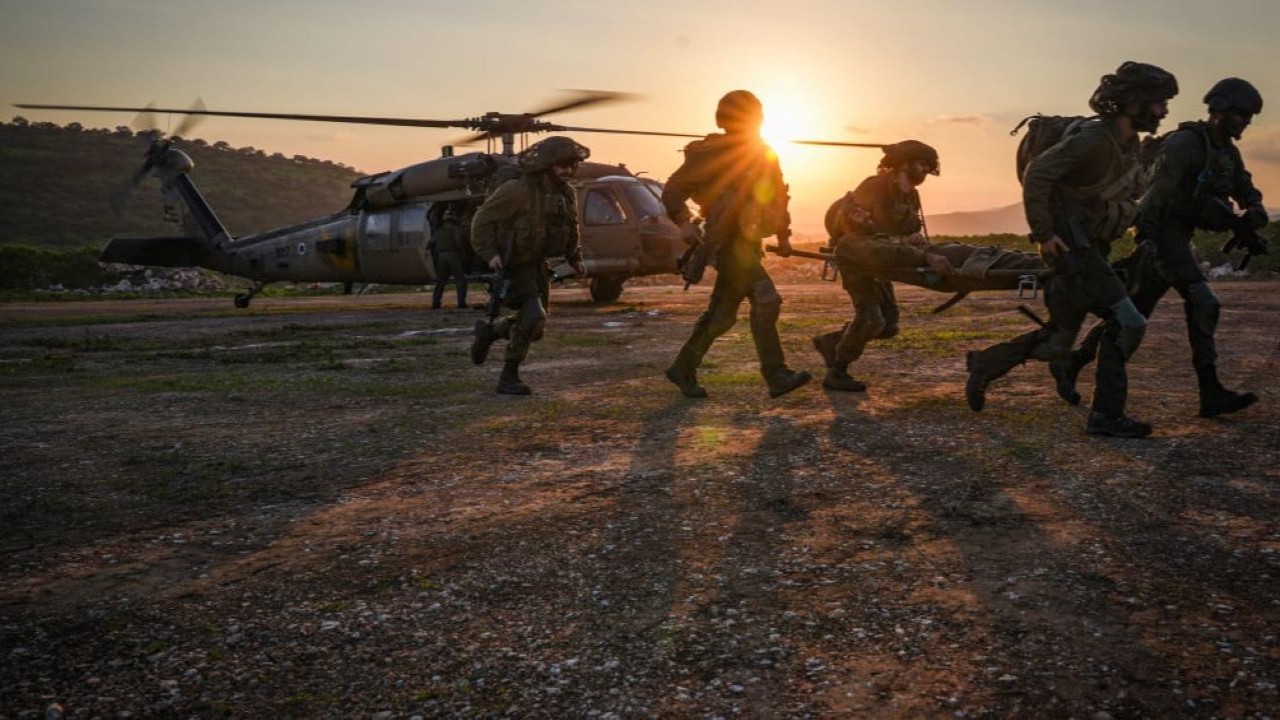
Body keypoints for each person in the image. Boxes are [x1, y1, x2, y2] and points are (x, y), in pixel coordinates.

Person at [965, 61, 1179, 438]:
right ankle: (1106, 416)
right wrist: (1044, 234)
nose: (1163, 111)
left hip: (1092, 247)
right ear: (1133, 101)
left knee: (1057, 342)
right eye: (1159, 102)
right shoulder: (1094, 139)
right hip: (1074, 251)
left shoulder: (1128, 145)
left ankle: (986, 363)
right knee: (1129, 322)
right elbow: (1039, 174)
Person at [1051, 78, 1266, 418]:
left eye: (1249, 117)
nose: (1245, 122)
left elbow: (1245, 187)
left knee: (1134, 313)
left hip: (1179, 238)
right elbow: (1154, 197)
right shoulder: (1185, 145)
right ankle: (1209, 392)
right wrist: (1148, 241)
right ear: (1219, 110)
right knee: (1204, 303)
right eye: (1241, 114)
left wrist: (1254, 211)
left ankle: (1072, 362)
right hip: (1162, 236)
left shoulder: (1226, 152)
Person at [663, 90, 811, 399]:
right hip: (724, 243)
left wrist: (783, 235)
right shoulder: (710, 153)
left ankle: (683, 367)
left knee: (722, 316)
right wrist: (684, 222)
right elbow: (674, 189)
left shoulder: (765, 152)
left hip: (748, 242)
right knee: (766, 298)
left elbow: (777, 195)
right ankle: (776, 374)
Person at [812, 140, 952, 391]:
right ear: (904, 163)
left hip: (884, 258)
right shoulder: (873, 187)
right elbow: (857, 231)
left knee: (889, 325)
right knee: (871, 320)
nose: (924, 172)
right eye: (921, 164)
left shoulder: (911, 195)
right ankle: (837, 372)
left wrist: (914, 240)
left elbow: (910, 228)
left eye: (927, 167)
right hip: (857, 257)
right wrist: (901, 242)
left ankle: (831, 341)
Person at [469, 136, 589, 395]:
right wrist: (489, 253)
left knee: (535, 329)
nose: (568, 171)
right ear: (547, 165)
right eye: (562, 166)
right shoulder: (518, 189)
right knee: (534, 316)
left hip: (537, 263)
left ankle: (490, 332)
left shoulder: (565, 193)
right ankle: (508, 377)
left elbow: (571, 226)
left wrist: (574, 258)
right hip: (514, 262)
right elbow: (482, 219)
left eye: (572, 166)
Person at [430, 209, 470, 310]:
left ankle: (435, 302)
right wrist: (464, 254)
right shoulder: (455, 229)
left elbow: (431, 243)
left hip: (441, 257)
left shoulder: (439, 231)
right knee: (460, 280)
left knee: (441, 281)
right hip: (452, 255)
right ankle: (461, 303)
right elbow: (459, 242)